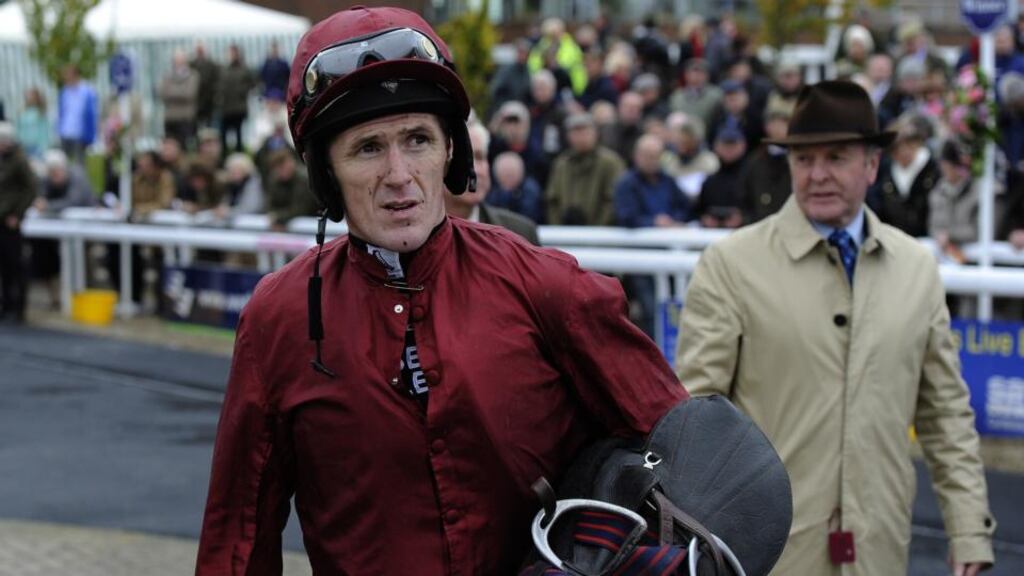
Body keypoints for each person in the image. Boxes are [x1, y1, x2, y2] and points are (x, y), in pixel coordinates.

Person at [194, 7, 687, 575]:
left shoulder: (548, 286)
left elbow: (688, 459)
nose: (399, 173)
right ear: (326, 174)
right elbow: (237, 536)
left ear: (450, 151)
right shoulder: (276, 320)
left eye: (417, 139)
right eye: (368, 148)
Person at [675, 81, 995, 576]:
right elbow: (696, 420)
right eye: (804, 160)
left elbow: (945, 413)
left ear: (872, 164)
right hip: (767, 555)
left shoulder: (916, 268)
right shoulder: (731, 265)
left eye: (836, 157)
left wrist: (969, 529)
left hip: (879, 548)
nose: (817, 174)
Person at [445, 122, 539, 245]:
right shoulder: (415, 236)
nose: (475, 170)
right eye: (460, 158)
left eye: (480, 157)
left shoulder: (521, 234)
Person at [546, 111, 625, 225]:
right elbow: (552, 200)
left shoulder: (611, 162)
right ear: (568, 136)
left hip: (601, 236)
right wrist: (559, 227)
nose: (580, 137)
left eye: (585, 131)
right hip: (565, 235)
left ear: (595, 133)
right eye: (575, 132)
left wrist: (596, 230)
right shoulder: (561, 164)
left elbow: (613, 200)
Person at [0, 122, 38, 324]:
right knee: (4, 268)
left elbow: (31, 189)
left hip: (10, 221)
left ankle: (18, 308)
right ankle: (6, 305)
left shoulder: (19, 161)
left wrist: (18, 213)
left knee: (15, 266)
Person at [56, 64, 98, 165]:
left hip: (79, 134)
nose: (66, 78)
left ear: (76, 75)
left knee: (79, 164)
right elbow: (61, 113)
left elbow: (92, 114)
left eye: (68, 75)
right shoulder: (64, 92)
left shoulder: (87, 92)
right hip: (65, 132)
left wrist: (91, 135)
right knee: (63, 163)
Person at [159, 50, 200, 149]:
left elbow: (189, 94)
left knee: (185, 146)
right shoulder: (167, 76)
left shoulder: (193, 75)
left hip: (185, 118)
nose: (178, 63)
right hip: (170, 118)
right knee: (171, 146)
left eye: (181, 60)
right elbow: (162, 94)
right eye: (176, 60)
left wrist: (172, 92)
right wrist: (180, 91)